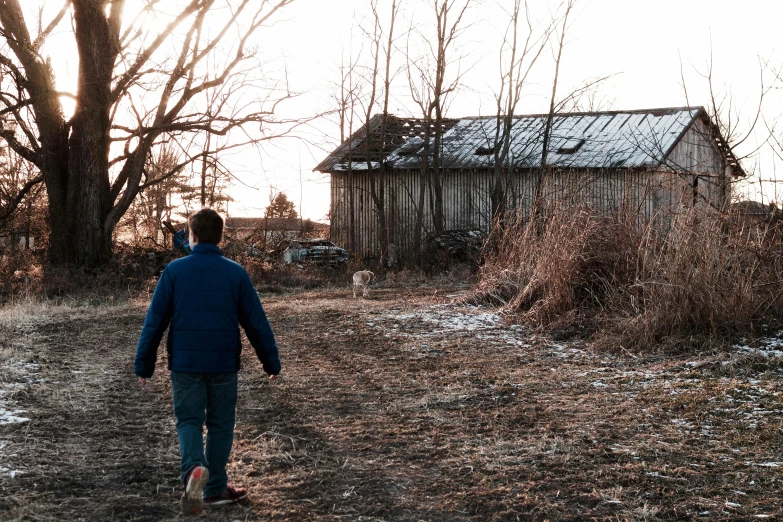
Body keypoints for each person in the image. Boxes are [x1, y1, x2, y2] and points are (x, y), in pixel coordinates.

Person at [134, 208, 280, 514]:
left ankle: (193, 471)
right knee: (220, 424)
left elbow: (155, 322)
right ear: (221, 237)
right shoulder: (236, 273)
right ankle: (213, 489)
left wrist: (144, 364)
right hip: (223, 363)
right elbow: (257, 323)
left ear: (192, 235)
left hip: (185, 364)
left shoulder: (174, 271)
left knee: (188, 420)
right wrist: (270, 363)